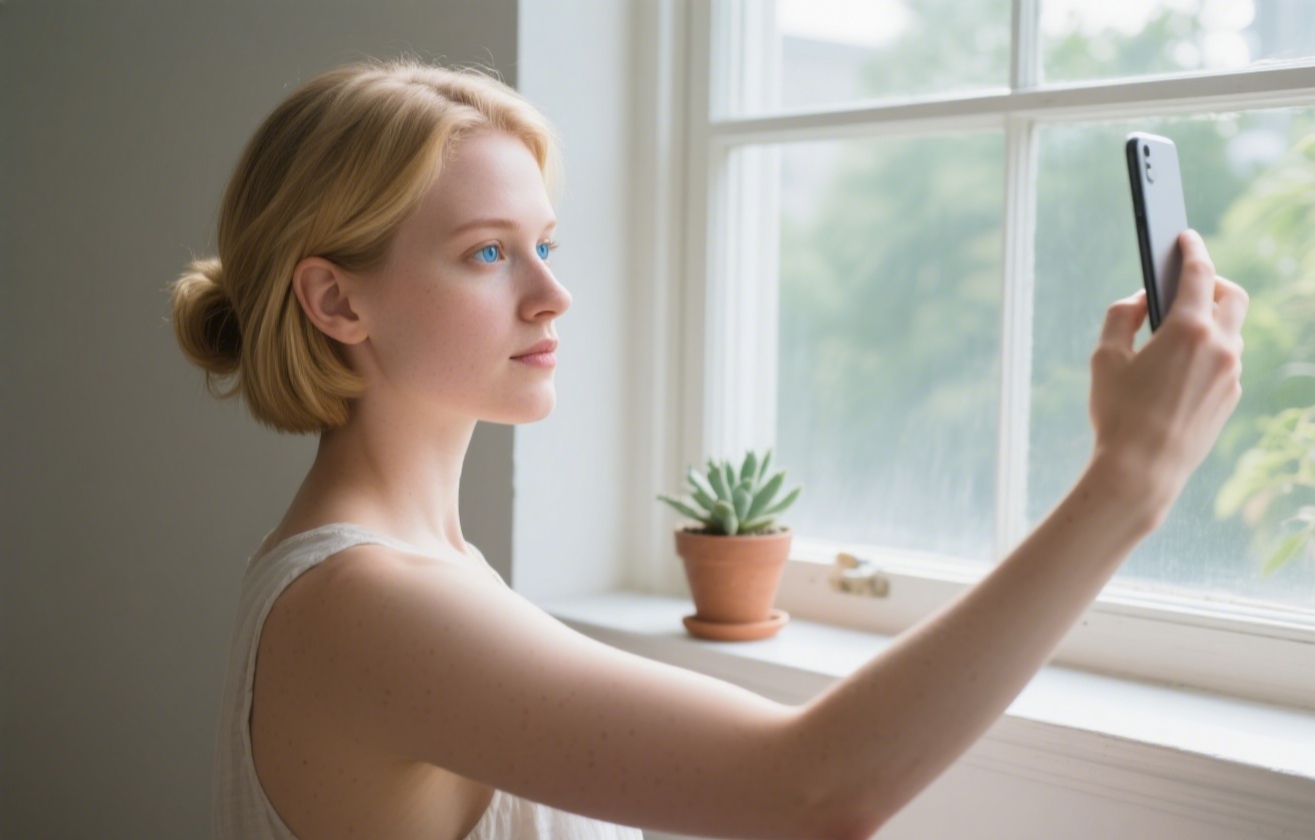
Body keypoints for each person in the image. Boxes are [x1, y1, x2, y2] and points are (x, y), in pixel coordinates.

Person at [169, 58, 1249, 840]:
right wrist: (1127, 484)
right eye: (488, 252)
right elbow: (817, 793)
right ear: (334, 300)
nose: (554, 293)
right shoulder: (370, 606)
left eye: (545, 244)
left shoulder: (425, 574)